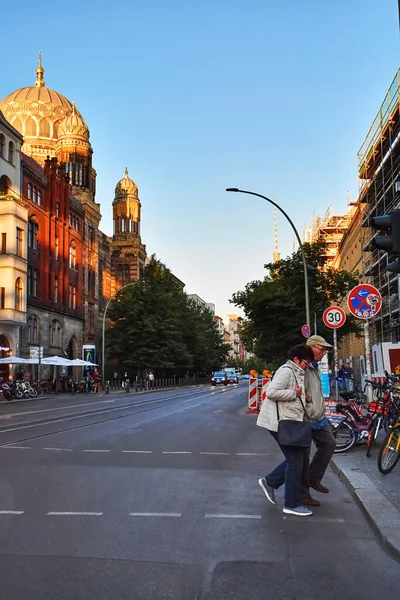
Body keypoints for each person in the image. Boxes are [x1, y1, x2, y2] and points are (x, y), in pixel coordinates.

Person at [257, 344, 315, 517]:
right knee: (295, 460)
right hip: (279, 423)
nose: (307, 365)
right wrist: (295, 393)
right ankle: (291, 503)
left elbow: (292, 392)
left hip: (288, 421)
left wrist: (303, 395)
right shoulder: (287, 371)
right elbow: (271, 392)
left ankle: (270, 482)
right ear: (296, 359)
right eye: (306, 362)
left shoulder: (296, 371)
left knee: (297, 459)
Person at [301, 335, 337, 506]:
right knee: (301, 457)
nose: (324, 353)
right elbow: (295, 388)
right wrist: (302, 395)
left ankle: (313, 478)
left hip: (318, 416)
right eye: (322, 349)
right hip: (306, 418)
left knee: (329, 443)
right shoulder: (303, 366)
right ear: (312, 348)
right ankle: (301, 493)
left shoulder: (314, 367)